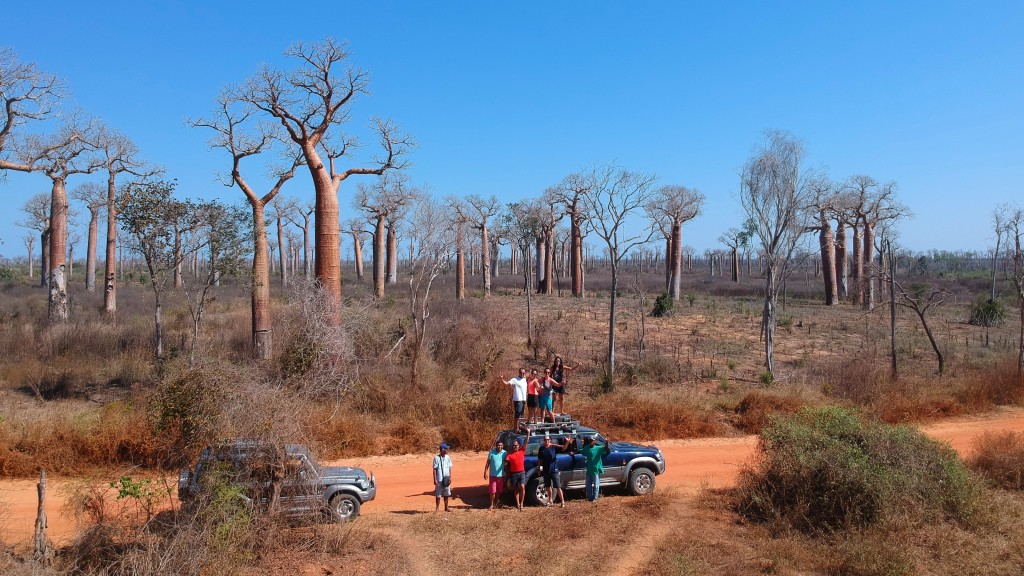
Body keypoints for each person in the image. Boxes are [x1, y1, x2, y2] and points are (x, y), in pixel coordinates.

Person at [537, 434, 572, 507]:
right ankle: (550, 500)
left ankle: (562, 502)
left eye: (548, 440)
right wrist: (539, 469)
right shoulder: (541, 449)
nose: (547, 441)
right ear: (543, 441)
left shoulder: (553, 447)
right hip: (546, 470)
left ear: (550, 440)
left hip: (554, 469)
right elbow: (539, 460)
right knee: (548, 486)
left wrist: (567, 442)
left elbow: (564, 448)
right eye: (545, 440)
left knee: (558, 486)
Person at [504, 428, 531, 510]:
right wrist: (504, 463)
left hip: (522, 472)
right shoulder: (510, 454)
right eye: (514, 445)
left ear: (519, 446)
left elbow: (526, 442)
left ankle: (522, 503)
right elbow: (505, 462)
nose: (515, 446)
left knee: (522, 486)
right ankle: (518, 504)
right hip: (514, 473)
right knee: (515, 489)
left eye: (516, 445)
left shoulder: (522, 451)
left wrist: (528, 433)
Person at [581, 435, 611, 502]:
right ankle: (590, 497)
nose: (591, 442)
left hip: (595, 470)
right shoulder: (587, 448)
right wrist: (573, 452)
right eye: (590, 441)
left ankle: (595, 498)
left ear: (594, 441)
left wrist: (606, 442)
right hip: (589, 470)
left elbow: (605, 449)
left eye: (592, 440)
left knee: (596, 485)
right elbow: (581, 451)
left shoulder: (598, 448)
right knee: (588, 485)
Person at [483, 439, 507, 510]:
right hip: (493, 475)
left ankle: (496, 503)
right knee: (492, 491)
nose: (500, 446)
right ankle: (491, 504)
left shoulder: (504, 453)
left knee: (498, 491)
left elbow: (507, 462)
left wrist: (506, 464)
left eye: (501, 445)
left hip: (501, 475)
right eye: (498, 445)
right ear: (496, 446)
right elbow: (488, 463)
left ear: (503, 446)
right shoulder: (492, 452)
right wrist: (485, 472)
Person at [432, 443, 453, 512]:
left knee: (446, 494)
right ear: (443, 450)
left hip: (446, 478)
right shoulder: (436, 458)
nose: (448, 450)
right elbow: (434, 469)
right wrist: (435, 479)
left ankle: (446, 507)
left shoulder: (448, 457)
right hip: (439, 479)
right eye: (446, 449)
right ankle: (437, 508)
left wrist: (450, 477)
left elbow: (450, 468)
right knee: (438, 495)